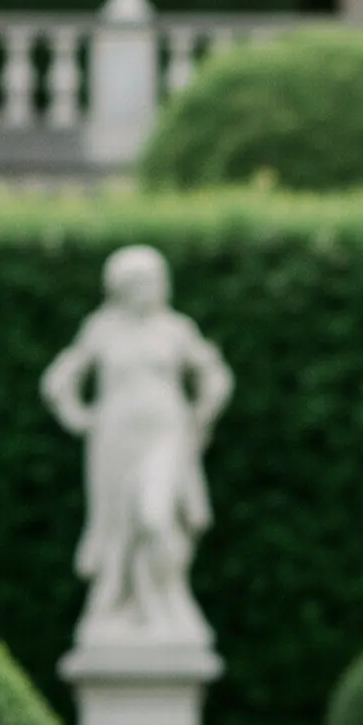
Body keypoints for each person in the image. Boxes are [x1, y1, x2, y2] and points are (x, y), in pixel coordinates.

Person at [42, 244, 233, 645]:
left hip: (166, 436)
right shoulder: (101, 329)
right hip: (114, 441)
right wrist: (78, 416)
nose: (153, 288)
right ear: (122, 287)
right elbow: (60, 379)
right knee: (117, 527)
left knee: (154, 516)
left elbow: (214, 376)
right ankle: (123, 606)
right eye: (143, 281)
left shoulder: (175, 329)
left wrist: (201, 417)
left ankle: (167, 601)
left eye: (156, 280)